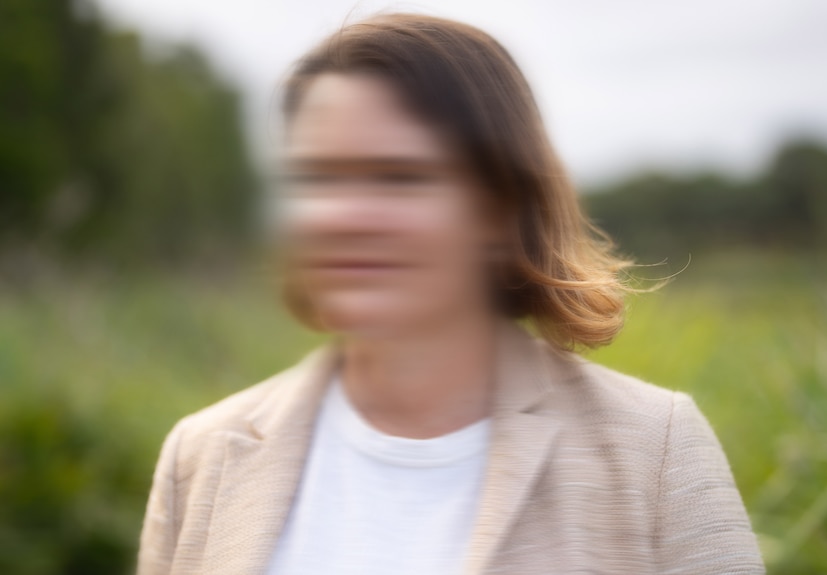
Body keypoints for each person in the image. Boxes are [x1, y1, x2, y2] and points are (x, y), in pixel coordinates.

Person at [137, 13, 764, 575]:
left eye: (399, 177)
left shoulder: (654, 450)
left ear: (501, 208)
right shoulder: (203, 454)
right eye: (317, 178)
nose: (344, 216)